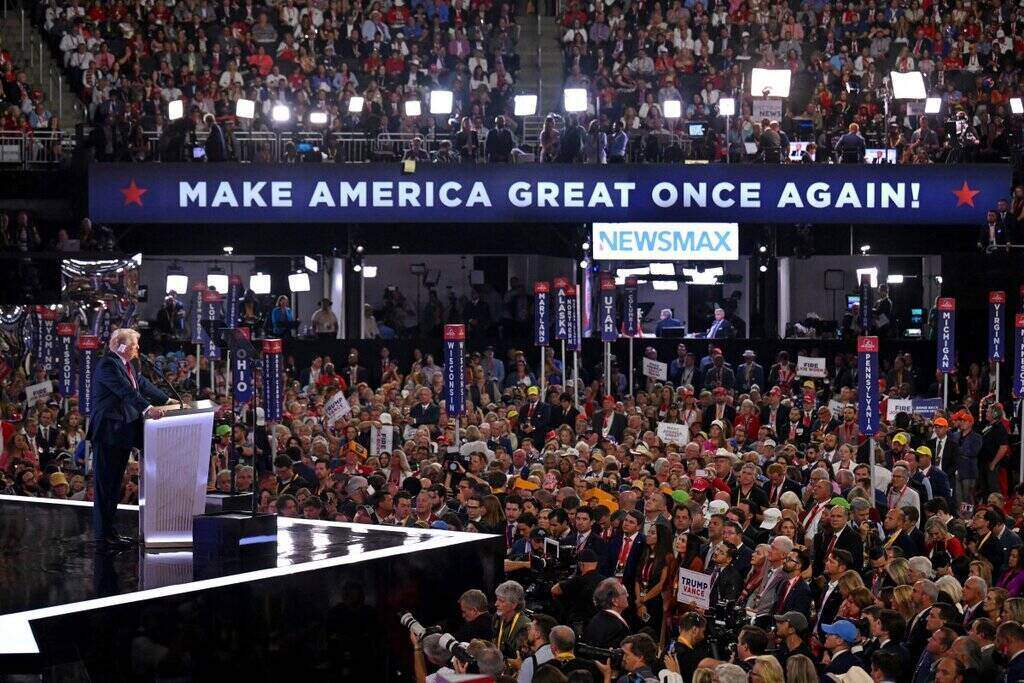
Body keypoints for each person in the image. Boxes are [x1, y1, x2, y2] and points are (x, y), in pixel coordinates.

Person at [86, 328, 171, 549]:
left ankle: (109, 532)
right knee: (106, 486)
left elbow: (142, 385)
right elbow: (126, 392)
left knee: (115, 485)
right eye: (134, 345)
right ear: (121, 346)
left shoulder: (129, 366)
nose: (137, 349)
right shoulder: (107, 365)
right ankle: (103, 534)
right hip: (108, 432)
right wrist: (148, 408)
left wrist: (168, 399)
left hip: (122, 433)